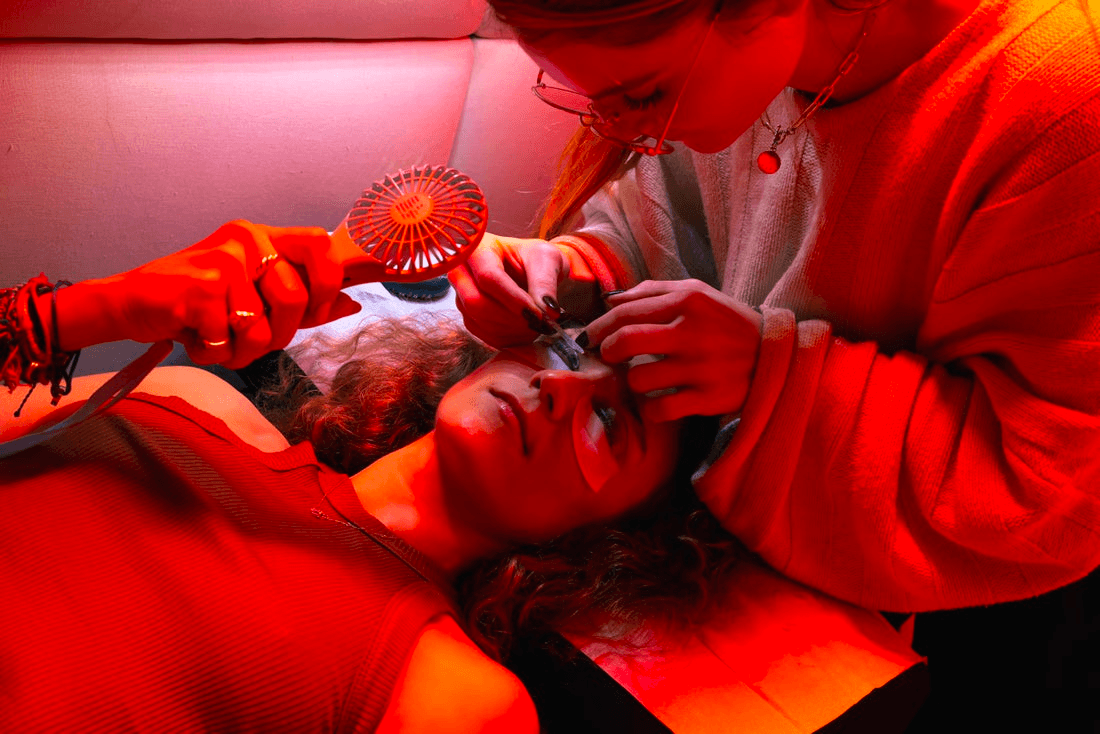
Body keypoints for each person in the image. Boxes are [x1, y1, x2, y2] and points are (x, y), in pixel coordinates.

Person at [448, 0, 1100, 726]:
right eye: (585, 98)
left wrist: (771, 375)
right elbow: (675, 223)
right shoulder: (760, 57)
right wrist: (578, 272)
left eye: (646, 94)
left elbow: (1050, 494)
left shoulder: (1066, 105)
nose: (627, 135)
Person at [0, 221, 738, 732]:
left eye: (608, 421)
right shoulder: (194, 403)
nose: (559, 386)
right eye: (570, 349)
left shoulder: (451, 696)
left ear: (618, 539)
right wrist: (89, 311)